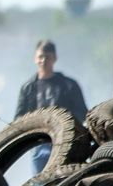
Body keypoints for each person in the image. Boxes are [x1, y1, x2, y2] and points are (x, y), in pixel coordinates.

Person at [15, 39, 87, 173]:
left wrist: (67, 127)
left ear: (54, 58)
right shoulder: (28, 88)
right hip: (38, 144)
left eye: (47, 57)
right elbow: (19, 118)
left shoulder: (69, 85)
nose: (43, 60)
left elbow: (81, 112)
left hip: (65, 142)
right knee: (39, 181)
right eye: (40, 57)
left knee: (62, 179)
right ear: (35, 59)